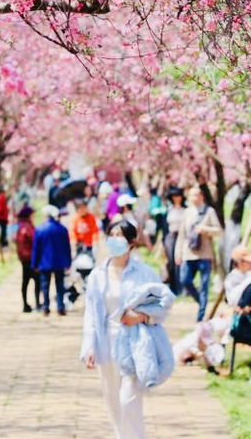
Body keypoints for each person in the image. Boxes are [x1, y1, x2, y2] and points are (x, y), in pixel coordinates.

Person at [81, 220, 175, 439]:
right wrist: (89, 348)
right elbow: (91, 316)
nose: (114, 239)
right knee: (113, 401)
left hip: (135, 345)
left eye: (120, 235)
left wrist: (142, 316)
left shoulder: (145, 273)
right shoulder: (97, 275)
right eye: (111, 234)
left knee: (129, 401)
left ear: (132, 242)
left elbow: (164, 305)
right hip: (106, 343)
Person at [175, 186, 221, 321]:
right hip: (188, 253)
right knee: (185, 280)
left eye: (195, 195)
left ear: (201, 196)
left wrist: (205, 229)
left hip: (205, 255)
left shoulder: (209, 211)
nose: (192, 198)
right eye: (190, 196)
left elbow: (218, 231)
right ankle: (200, 302)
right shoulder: (187, 212)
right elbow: (182, 235)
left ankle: (200, 316)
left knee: (204, 285)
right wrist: (178, 253)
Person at [31, 204, 71, 316]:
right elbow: (67, 247)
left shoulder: (40, 229)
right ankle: (60, 306)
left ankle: (46, 306)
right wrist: (68, 262)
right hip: (59, 262)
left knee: (45, 286)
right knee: (60, 285)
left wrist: (34, 264)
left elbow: (36, 249)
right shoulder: (62, 229)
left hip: (44, 263)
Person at [14, 205, 40, 313]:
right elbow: (34, 241)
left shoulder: (22, 226)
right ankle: (36, 304)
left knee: (26, 282)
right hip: (29, 258)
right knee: (36, 281)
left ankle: (27, 304)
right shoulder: (27, 227)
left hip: (25, 258)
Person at [163, 187, 185, 294]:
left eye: (178, 196)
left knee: (181, 261)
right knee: (171, 262)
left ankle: (182, 287)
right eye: (174, 196)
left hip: (182, 237)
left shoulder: (185, 210)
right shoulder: (169, 209)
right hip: (171, 237)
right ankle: (173, 286)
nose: (177, 198)